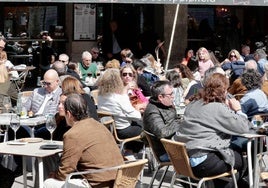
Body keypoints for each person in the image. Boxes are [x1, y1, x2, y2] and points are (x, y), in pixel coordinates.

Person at [173, 73, 251, 187]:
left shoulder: (193, 104)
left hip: (184, 160)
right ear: (224, 90)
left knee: (232, 151)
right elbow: (244, 127)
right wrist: (238, 110)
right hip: (202, 163)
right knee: (244, 161)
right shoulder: (218, 107)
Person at [43, 93, 124, 188]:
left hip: (99, 184)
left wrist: (55, 176)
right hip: (118, 180)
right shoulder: (99, 125)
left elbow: (66, 169)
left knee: (48, 183)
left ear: (68, 114)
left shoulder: (72, 134)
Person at [97, 68, 143, 154]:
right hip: (122, 130)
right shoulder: (119, 97)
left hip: (110, 130)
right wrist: (138, 109)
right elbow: (137, 116)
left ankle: (129, 151)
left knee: (137, 125)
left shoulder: (100, 96)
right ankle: (132, 152)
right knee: (146, 127)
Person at [143, 80, 182, 162]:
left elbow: (174, 120)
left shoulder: (166, 105)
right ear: (160, 97)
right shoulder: (152, 111)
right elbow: (162, 133)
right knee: (199, 154)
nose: (173, 96)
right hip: (165, 152)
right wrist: (181, 125)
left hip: (175, 144)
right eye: (170, 94)